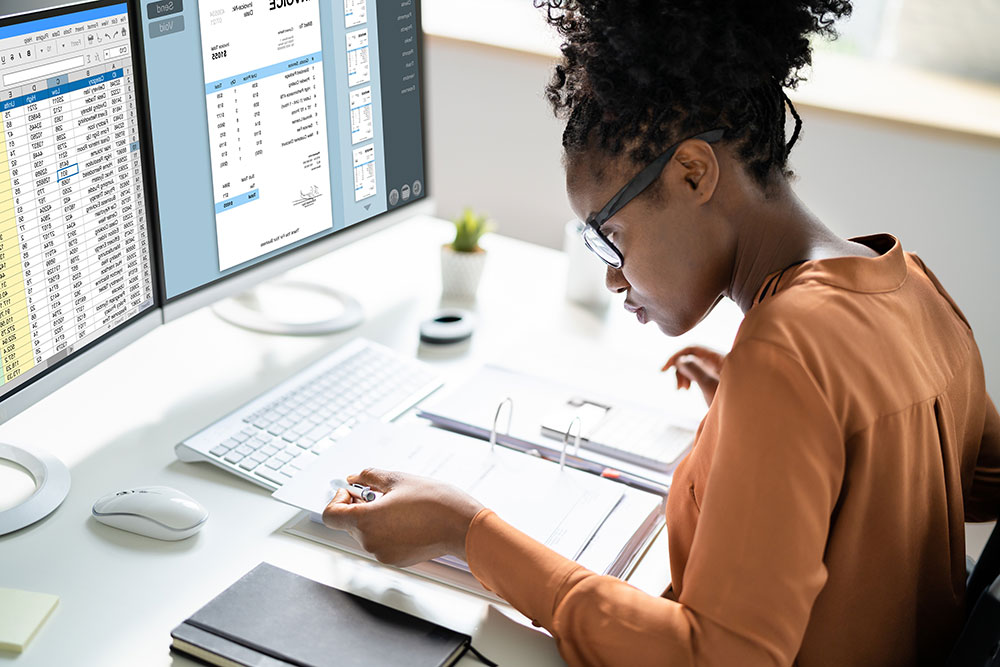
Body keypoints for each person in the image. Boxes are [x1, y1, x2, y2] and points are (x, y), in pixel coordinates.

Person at [323, 1, 1000, 664]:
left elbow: (714, 657)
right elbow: (969, 486)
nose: (615, 279)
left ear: (694, 173)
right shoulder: (911, 283)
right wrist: (767, 429)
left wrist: (464, 531)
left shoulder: (789, 351)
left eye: (609, 236)